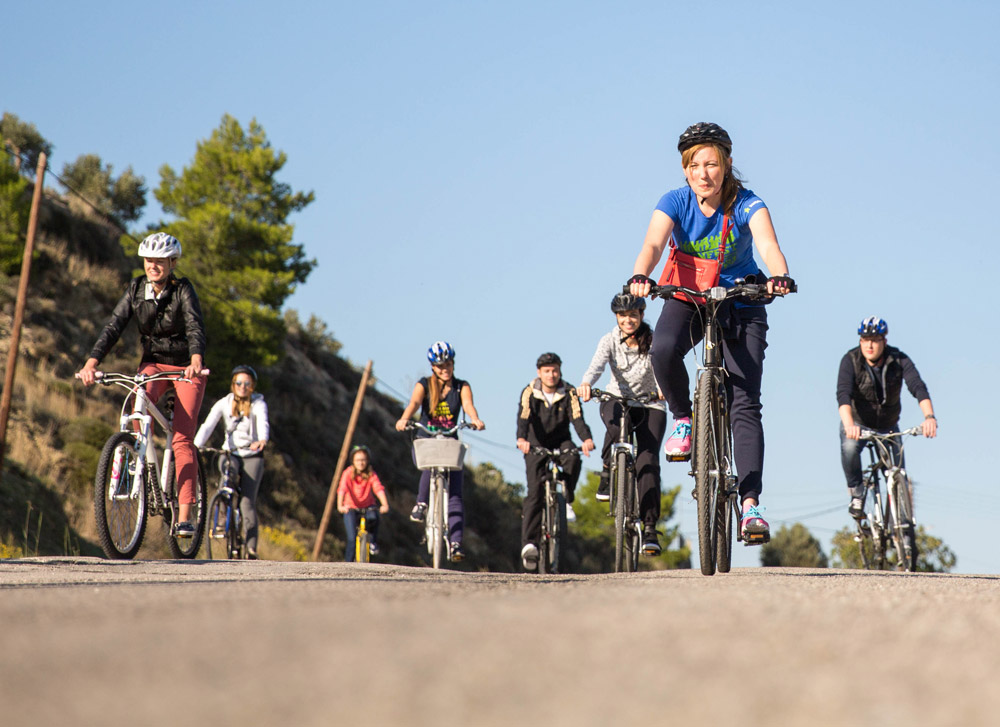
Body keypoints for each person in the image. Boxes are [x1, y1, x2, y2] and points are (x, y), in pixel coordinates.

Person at [627, 122, 794, 544]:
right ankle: (684, 418)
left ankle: (751, 504)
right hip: (688, 295)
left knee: (744, 401)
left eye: (712, 163)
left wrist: (779, 276)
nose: (704, 173)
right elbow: (652, 243)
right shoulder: (675, 201)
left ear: (727, 164)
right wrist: (639, 276)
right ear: (685, 170)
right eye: (695, 165)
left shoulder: (747, 203)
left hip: (742, 299)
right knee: (662, 350)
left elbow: (768, 243)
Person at [77, 232, 207, 538]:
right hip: (153, 363)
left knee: (181, 440)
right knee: (136, 409)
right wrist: (92, 362)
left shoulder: (183, 289)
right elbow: (114, 326)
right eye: (150, 260)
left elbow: (193, 325)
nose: (154, 266)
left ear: (173, 263)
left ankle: (186, 515)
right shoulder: (136, 288)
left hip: (185, 367)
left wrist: (196, 359)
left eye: (161, 261)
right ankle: (135, 461)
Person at [579, 294, 667, 555]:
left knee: (647, 462)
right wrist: (586, 383)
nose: (628, 320)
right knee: (617, 425)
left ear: (641, 315)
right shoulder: (609, 340)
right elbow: (596, 367)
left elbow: (664, 368)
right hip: (617, 398)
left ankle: (649, 529)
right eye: (622, 316)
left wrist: (663, 390)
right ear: (616, 317)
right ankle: (608, 469)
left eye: (633, 315)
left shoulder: (653, 341)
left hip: (650, 403)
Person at [394, 341, 485, 562]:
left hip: (449, 441)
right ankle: (422, 503)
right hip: (427, 438)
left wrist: (474, 419)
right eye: (441, 366)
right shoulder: (424, 384)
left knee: (455, 493)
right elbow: (414, 403)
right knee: (431, 460)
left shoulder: (461, 386)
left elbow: (468, 404)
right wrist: (405, 418)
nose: (445, 369)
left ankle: (455, 543)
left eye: (449, 364)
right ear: (433, 367)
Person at [837, 316, 937, 518]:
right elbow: (843, 394)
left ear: (884, 340)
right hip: (858, 423)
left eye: (874, 339)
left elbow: (918, 387)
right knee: (849, 448)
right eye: (865, 340)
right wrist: (849, 425)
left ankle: (903, 529)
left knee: (898, 472)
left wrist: (929, 417)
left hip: (889, 425)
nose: (869, 345)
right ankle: (856, 493)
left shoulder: (898, 360)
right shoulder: (850, 360)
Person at [516, 352, 595, 571]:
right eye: (547, 371)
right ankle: (530, 544)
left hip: (561, 441)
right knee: (534, 494)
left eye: (555, 370)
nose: (552, 375)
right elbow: (523, 417)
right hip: (535, 444)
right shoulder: (530, 391)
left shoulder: (569, 391)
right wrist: (521, 439)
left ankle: (566, 498)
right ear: (539, 373)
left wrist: (587, 439)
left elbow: (577, 419)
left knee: (574, 457)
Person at [194, 364, 270, 558]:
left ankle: (251, 547)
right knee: (227, 478)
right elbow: (208, 425)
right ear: (233, 384)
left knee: (247, 502)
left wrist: (262, 439)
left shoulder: (258, 403)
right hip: (230, 453)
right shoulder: (224, 403)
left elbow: (263, 422)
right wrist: (195, 446)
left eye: (247, 383)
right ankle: (221, 519)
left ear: (252, 386)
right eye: (239, 383)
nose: (242, 386)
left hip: (252, 455)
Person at [337, 445, 390, 561]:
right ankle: (348, 565)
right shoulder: (348, 473)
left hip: (368, 506)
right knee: (351, 539)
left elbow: (378, 488)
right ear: (353, 461)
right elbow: (342, 489)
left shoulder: (371, 473)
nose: (361, 463)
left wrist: (384, 504)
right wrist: (340, 505)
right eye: (358, 460)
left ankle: (373, 542)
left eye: (363, 460)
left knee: (374, 518)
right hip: (351, 507)